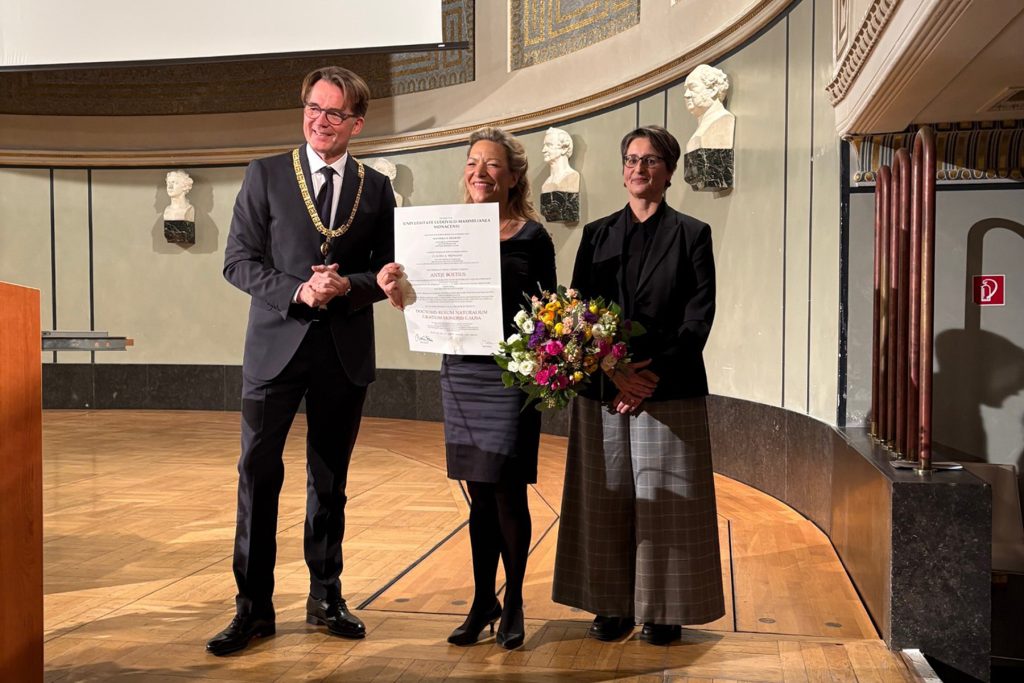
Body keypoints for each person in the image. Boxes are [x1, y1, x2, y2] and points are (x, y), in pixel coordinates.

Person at [207, 66, 395, 656]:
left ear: (356, 123)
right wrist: (297, 289)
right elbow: (237, 261)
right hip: (275, 348)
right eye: (313, 108)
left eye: (334, 113)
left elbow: (387, 273)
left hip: (343, 353)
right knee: (259, 478)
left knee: (330, 481)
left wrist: (348, 287)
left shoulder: (378, 187)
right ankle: (253, 609)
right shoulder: (264, 175)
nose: (320, 120)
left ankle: (326, 596)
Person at [377, 127, 556, 650]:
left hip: (510, 376)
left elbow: (548, 308)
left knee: (506, 492)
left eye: (493, 164)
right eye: (473, 162)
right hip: (460, 371)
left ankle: (516, 599)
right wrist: (399, 289)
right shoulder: (443, 231)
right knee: (477, 495)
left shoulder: (531, 236)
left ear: (514, 175)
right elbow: (423, 295)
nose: (480, 171)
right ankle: (484, 601)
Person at [551, 125, 724, 646]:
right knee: (603, 502)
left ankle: (664, 611)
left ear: (669, 172)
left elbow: (699, 318)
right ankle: (609, 607)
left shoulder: (693, 233)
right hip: (604, 388)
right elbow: (576, 313)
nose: (638, 169)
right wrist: (613, 372)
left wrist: (648, 377)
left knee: (666, 504)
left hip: (667, 387)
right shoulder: (597, 234)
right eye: (630, 159)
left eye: (650, 161)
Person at [682, 64, 735, 153]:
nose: (686, 95)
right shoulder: (702, 124)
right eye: (686, 90)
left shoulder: (722, 119)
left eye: (693, 88)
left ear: (713, 90)